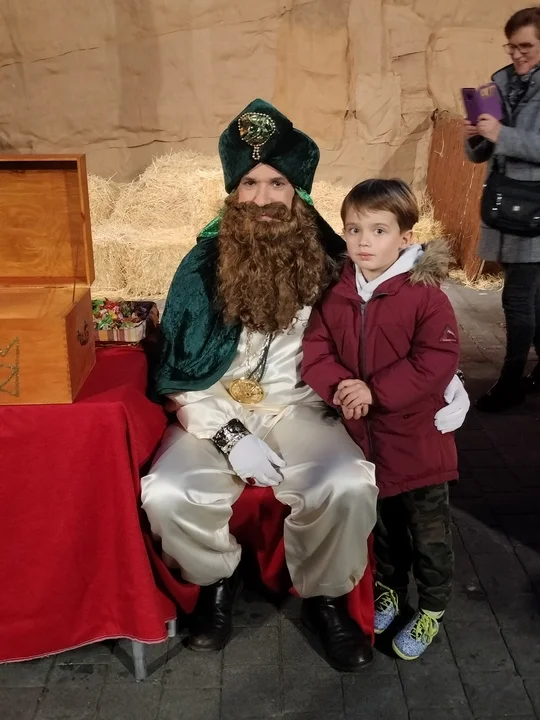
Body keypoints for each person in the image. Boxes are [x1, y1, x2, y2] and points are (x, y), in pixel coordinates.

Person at [141, 100, 470, 672]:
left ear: (298, 192)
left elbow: (392, 315)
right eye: (250, 183)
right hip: (214, 410)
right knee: (166, 494)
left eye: (278, 183)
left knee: (346, 483)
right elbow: (179, 370)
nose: (264, 198)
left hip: (303, 407)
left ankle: (327, 598)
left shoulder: (333, 259)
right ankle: (215, 585)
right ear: (232, 192)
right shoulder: (199, 267)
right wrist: (229, 437)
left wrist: (448, 378)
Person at [302, 179, 460, 660]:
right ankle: (390, 588)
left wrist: (375, 391)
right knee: (384, 528)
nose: (363, 241)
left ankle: (432, 606)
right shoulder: (337, 293)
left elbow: (435, 360)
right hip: (366, 443)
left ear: (405, 237)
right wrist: (339, 388)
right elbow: (316, 350)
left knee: (429, 533)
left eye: (378, 230)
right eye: (354, 230)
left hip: (417, 444)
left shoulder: (425, 296)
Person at [464, 6, 540, 412]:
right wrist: (477, 135)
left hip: (535, 207)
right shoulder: (501, 83)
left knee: (517, 297)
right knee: (533, 297)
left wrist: (501, 133)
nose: (516, 54)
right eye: (511, 46)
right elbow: (482, 152)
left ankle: (510, 383)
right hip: (504, 202)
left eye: (525, 46)